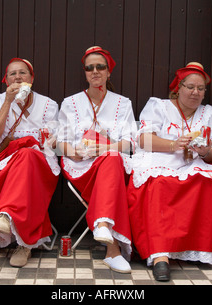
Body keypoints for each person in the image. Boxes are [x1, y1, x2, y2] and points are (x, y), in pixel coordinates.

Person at [127, 62, 212, 281]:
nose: (195, 92)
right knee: (160, 183)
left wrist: (205, 151)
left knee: (204, 182)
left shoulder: (209, 114)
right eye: (190, 87)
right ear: (178, 88)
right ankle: (160, 255)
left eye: (201, 89)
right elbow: (144, 140)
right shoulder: (159, 106)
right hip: (160, 158)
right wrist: (174, 145)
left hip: (193, 162)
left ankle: (196, 249)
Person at [57, 46, 136, 273]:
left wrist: (106, 147)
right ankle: (110, 245)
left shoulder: (123, 103)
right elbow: (58, 143)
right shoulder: (70, 103)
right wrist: (74, 152)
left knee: (111, 158)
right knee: (111, 161)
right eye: (89, 68)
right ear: (84, 72)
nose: (95, 71)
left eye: (100, 67)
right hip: (80, 166)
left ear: (109, 71)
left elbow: (130, 142)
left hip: (111, 164)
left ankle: (105, 231)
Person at [0, 58, 60, 268]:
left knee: (27, 156)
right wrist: (8, 102)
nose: (18, 77)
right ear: (6, 80)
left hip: (39, 162)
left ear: (31, 78)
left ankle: (7, 216)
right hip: (4, 161)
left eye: (22, 73)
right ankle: (25, 244)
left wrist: (27, 142)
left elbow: (49, 141)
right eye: (12, 74)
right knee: (24, 159)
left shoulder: (48, 104)